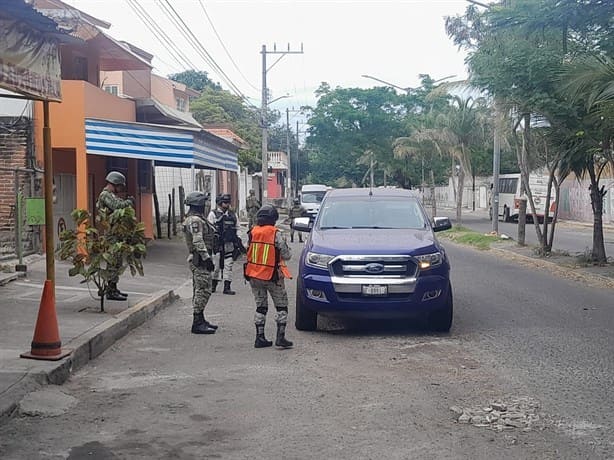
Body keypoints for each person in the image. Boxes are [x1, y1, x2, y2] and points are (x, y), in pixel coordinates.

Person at [244, 204, 293, 349]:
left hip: (253, 274)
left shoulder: (252, 231)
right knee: (281, 306)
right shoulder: (275, 233)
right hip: (272, 276)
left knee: (261, 307)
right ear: (273, 219)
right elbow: (286, 255)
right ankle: (280, 337)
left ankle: (259, 338)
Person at [96, 171, 134, 301]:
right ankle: (110, 291)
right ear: (115, 183)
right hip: (111, 234)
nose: (120, 189)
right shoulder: (105, 195)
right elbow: (117, 206)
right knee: (113, 262)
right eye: (120, 186)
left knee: (117, 262)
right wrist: (128, 202)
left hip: (116, 233)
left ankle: (113, 287)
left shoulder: (110, 195)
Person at [183, 191, 218, 334]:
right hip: (199, 259)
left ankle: (201, 318)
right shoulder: (195, 220)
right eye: (204, 203)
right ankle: (197, 323)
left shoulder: (197, 219)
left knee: (200, 289)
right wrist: (206, 258)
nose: (206, 205)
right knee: (203, 290)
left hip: (200, 258)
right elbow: (198, 240)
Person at [208, 194, 240, 295]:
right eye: (224, 202)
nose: (226, 205)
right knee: (216, 266)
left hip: (229, 244)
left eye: (227, 202)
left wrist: (237, 240)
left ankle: (227, 287)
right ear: (219, 203)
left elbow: (238, 228)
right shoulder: (213, 214)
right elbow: (209, 230)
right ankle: (213, 286)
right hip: (217, 244)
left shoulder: (232, 215)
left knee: (228, 265)